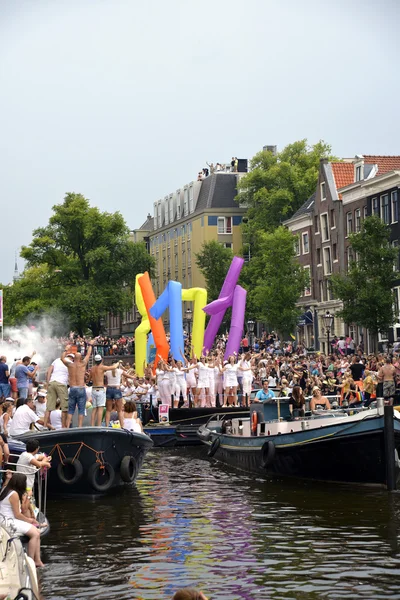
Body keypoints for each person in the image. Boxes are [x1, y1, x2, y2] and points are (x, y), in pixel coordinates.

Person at [0, 472, 43, 567]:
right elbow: (17, 514)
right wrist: (30, 520)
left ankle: (38, 560)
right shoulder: (14, 494)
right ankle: (31, 561)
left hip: (4, 519)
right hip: (8, 522)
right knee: (35, 533)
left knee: (37, 532)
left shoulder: (5, 488)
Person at [61, 340, 95, 428]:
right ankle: (79, 426)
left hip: (72, 388)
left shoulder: (70, 365)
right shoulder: (83, 364)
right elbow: (88, 354)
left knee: (70, 410)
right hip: (80, 388)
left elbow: (62, 358)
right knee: (81, 409)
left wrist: (66, 350)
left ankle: (67, 426)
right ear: (80, 358)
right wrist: (90, 344)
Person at [45, 352, 75, 428]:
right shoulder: (71, 363)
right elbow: (71, 376)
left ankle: (45, 426)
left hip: (52, 382)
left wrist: (48, 383)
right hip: (61, 383)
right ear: (72, 358)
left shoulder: (56, 360)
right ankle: (63, 426)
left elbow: (49, 371)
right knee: (64, 407)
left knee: (49, 407)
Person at [90, 355, 121, 427]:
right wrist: (118, 363)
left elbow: (89, 379)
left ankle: (91, 425)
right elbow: (113, 367)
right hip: (100, 389)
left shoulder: (92, 368)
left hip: (93, 389)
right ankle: (99, 425)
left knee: (94, 408)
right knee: (100, 408)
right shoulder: (102, 367)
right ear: (101, 360)